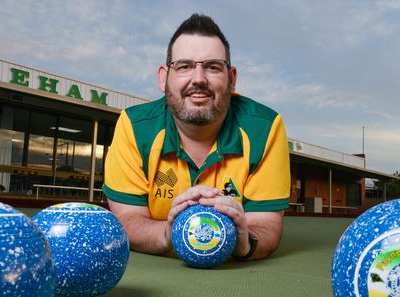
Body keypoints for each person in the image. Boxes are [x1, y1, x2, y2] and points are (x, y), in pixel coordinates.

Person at [103, 13, 290, 260]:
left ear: (232, 79)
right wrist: (167, 232)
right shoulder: (134, 126)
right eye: (184, 66)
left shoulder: (265, 128)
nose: (199, 79)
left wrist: (244, 240)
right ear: (163, 77)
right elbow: (126, 218)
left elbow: (266, 225)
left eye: (213, 67)